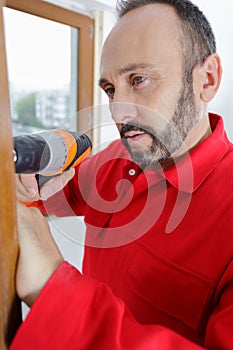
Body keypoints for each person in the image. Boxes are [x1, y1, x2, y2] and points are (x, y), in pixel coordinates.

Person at [11, 0, 233, 349]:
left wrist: (52, 285)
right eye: (111, 89)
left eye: (138, 79)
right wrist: (27, 191)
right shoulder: (114, 160)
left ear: (207, 80)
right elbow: (53, 197)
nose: (118, 110)